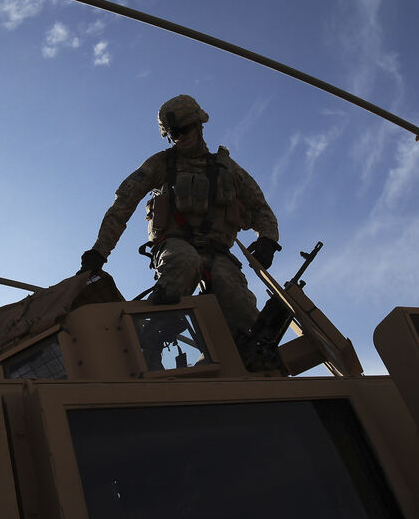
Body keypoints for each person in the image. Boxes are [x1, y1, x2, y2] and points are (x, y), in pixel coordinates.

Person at [79, 94, 282, 346]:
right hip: (174, 244)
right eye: (173, 134)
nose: (180, 137)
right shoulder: (161, 164)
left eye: (184, 130)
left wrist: (268, 240)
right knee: (185, 263)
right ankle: (152, 341)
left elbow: (259, 207)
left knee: (240, 305)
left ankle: (252, 362)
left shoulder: (228, 169)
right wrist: (99, 252)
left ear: (199, 125)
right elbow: (123, 204)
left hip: (218, 253)